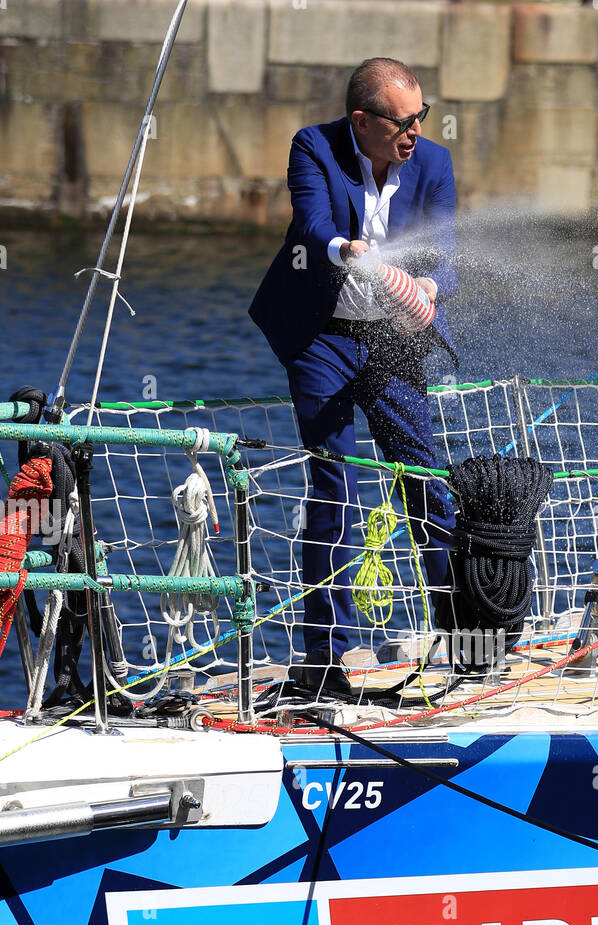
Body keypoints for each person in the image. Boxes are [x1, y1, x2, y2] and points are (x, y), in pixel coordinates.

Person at [249, 56, 458, 701]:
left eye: (421, 117)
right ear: (362, 120)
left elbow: (446, 254)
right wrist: (350, 251)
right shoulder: (315, 146)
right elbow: (311, 226)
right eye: (403, 120)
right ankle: (324, 662)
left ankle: (461, 645)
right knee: (333, 482)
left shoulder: (434, 165)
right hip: (323, 336)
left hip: (394, 340)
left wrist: (425, 286)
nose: (415, 131)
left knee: (426, 476)